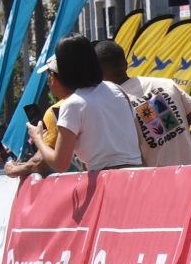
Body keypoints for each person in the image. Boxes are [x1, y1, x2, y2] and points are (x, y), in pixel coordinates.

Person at [31, 36, 143, 173]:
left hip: (106, 179)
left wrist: (38, 138)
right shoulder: (116, 89)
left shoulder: (72, 105)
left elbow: (60, 164)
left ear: (65, 70)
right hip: (137, 175)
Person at [95, 40, 191, 168]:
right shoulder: (166, 84)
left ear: (96, 72)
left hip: (157, 178)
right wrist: (184, 153)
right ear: (126, 64)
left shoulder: (113, 105)